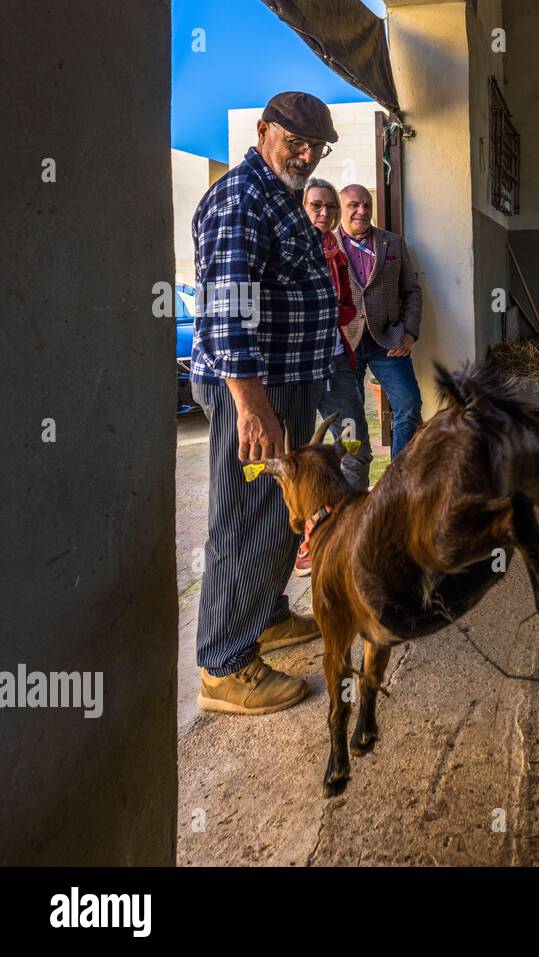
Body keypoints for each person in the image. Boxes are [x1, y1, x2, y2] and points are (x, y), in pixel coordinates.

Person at [189, 92, 338, 715]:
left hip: (282, 385)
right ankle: (224, 666)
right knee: (246, 516)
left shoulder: (276, 193)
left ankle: (266, 615)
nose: (305, 155)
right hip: (255, 393)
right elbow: (227, 311)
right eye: (294, 141)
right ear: (263, 131)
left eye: (317, 147)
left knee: (281, 511)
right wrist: (251, 404)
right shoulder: (241, 198)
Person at [293, 178, 371, 579]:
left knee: (354, 447)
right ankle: (309, 541)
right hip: (298, 371)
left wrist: (337, 326)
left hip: (337, 366)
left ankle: (351, 533)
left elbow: (347, 306)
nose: (324, 214)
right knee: (301, 462)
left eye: (329, 208)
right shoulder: (289, 249)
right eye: (316, 206)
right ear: (303, 207)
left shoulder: (337, 254)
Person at [337, 184, 424, 456]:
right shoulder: (325, 244)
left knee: (408, 405)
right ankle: (354, 476)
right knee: (348, 415)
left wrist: (409, 332)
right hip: (344, 343)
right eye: (354, 205)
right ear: (341, 208)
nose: (362, 211)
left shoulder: (392, 242)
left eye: (367, 205)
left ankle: (399, 478)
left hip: (388, 339)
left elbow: (411, 290)